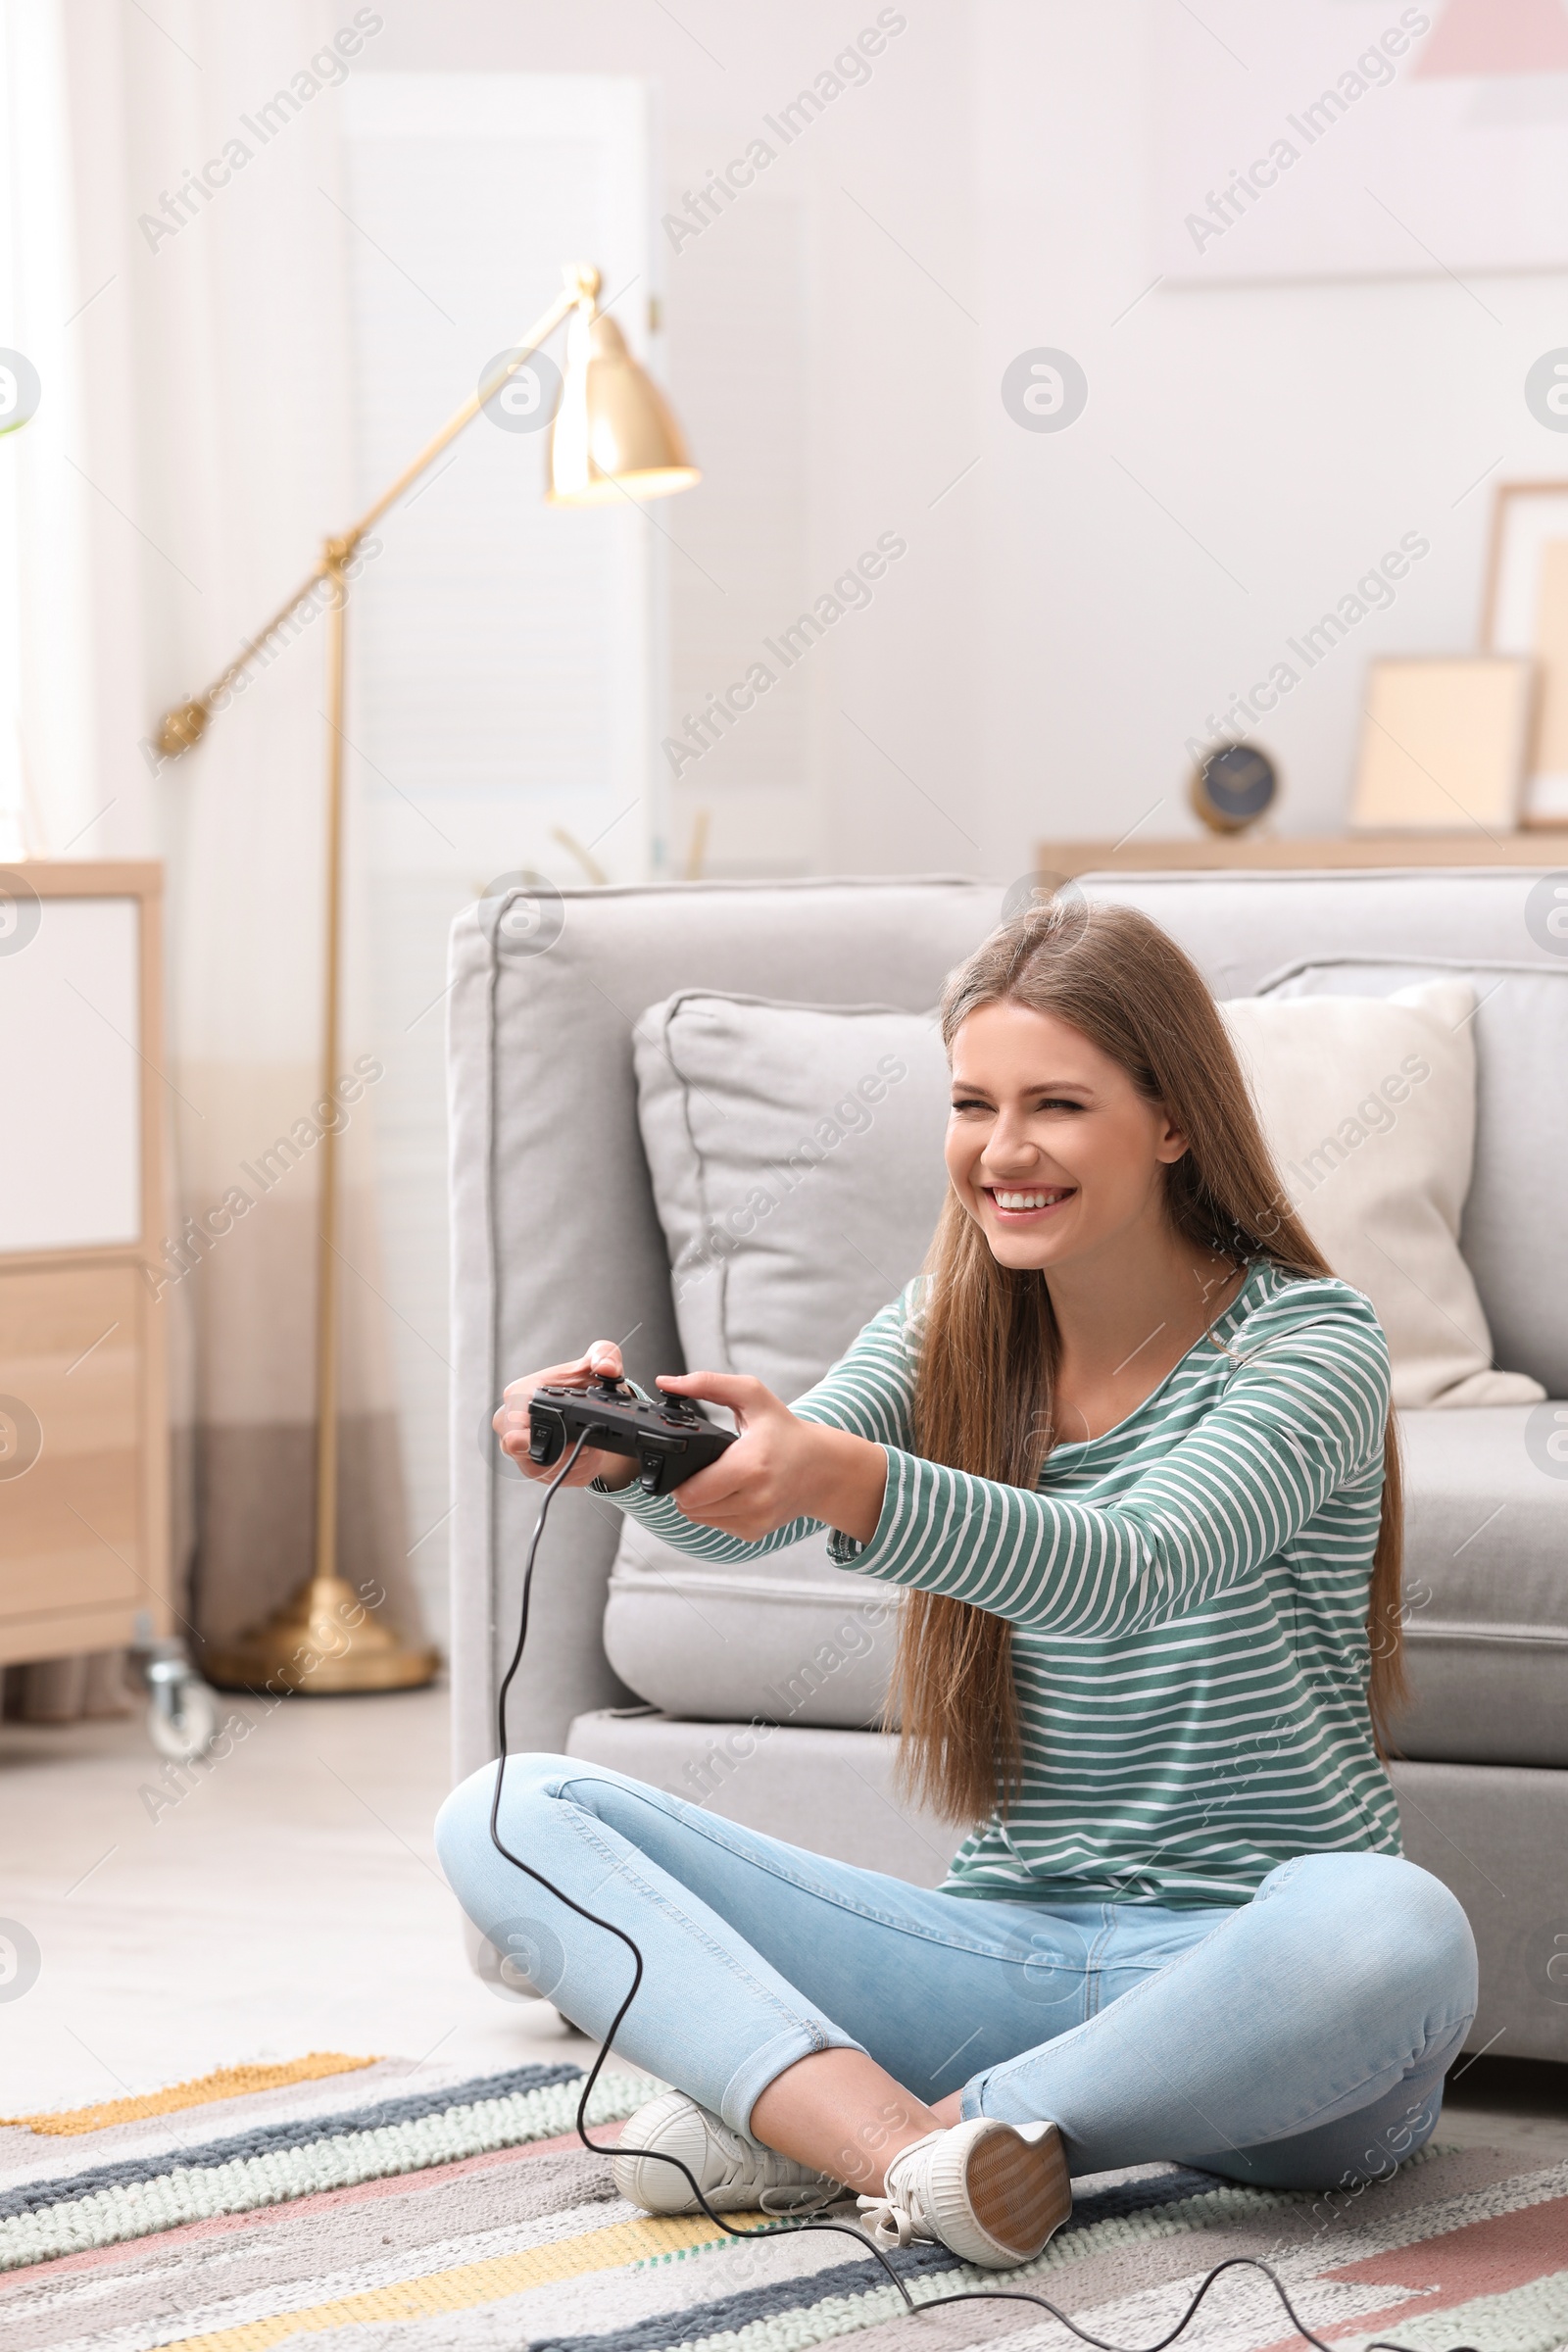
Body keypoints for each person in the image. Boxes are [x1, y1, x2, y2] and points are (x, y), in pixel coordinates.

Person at [436, 899, 1477, 2272]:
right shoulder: (947, 1326)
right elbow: (757, 1511)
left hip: (1251, 2002)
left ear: (1174, 1121)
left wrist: (842, 1477)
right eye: (972, 1103)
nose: (1004, 1151)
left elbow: (1135, 1565)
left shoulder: (1309, 1343)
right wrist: (642, 1461)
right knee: (508, 1809)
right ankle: (915, 2157)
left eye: (1058, 1104)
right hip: (1007, 1961)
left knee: (1401, 1928)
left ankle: (878, 2126)